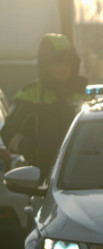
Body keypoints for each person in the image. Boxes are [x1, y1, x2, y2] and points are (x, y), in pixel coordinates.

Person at [0, 33, 88, 176]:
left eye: (67, 62)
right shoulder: (29, 95)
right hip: (40, 174)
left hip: (80, 173)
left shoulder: (84, 92)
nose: (63, 67)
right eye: (57, 62)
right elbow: (8, 133)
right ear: (45, 65)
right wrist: (30, 148)